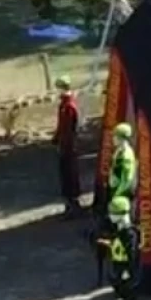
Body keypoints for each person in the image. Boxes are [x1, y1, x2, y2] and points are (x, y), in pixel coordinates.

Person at [53, 76, 82, 217]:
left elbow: (69, 129)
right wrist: (56, 138)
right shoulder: (63, 105)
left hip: (69, 146)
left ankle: (74, 205)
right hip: (64, 145)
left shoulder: (69, 106)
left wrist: (65, 144)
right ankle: (68, 204)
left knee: (70, 175)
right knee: (64, 174)